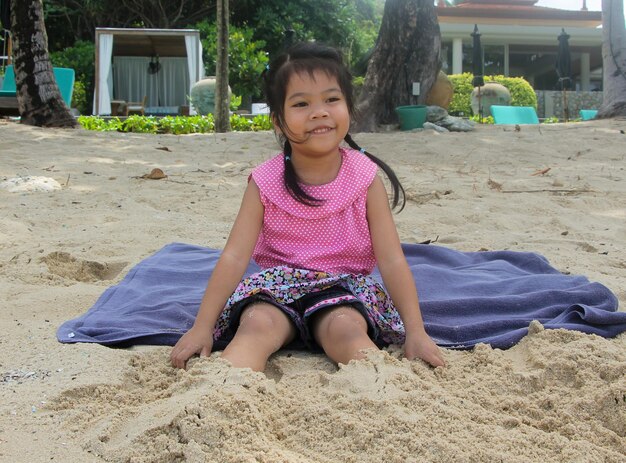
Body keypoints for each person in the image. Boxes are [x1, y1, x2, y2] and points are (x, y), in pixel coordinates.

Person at [170, 42, 445, 371]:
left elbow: (391, 258)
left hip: (344, 288)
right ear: (278, 121)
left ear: (348, 107)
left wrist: (416, 331)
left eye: (332, 99)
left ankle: (380, 390)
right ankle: (222, 394)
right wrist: (202, 327)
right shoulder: (264, 182)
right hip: (277, 288)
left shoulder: (365, 177)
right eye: (301, 104)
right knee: (257, 325)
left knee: (345, 328)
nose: (319, 112)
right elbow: (234, 256)